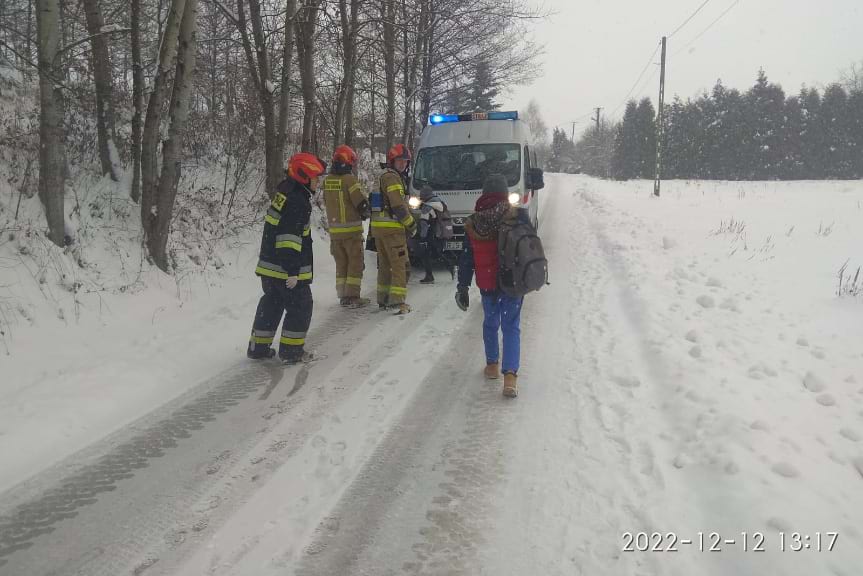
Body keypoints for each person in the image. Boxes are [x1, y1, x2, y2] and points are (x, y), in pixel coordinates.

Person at [247, 152, 327, 364]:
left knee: (272, 304)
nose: (317, 182)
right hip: (285, 270)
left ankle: (258, 348)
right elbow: (288, 239)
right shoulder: (298, 201)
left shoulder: (284, 193)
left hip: (270, 267)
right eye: (315, 177)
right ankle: (292, 352)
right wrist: (293, 271)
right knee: (301, 305)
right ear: (304, 176)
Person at [455, 174, 526, 397]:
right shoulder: (516, 217)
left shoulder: (474, 221)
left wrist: (463, 286)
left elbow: (466, 259)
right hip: (512, 282)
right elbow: (528, 248)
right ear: (505, 193)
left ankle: (492, 365)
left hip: (487, 283)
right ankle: (510, 378)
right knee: (511, 326)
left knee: (490, 323)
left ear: (484, 194)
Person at [370, 143, 417, 314]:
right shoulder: (393, 178)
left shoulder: (383, 175)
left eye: (405, 161)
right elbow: (398, 206)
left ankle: (383, 299)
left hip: (380, 230)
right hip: (392, 229)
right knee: (400, 266)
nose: (403, 164)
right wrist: (411, 224)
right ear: (392, 161)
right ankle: (397, 302)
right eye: (399, 161)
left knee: (385, 265)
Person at [322, 144, 371, 308]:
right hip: (352, 233)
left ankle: (343, 296)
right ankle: (353, 297)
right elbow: (360, 203)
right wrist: (368, 211)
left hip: (335, 234)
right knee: (355, 265)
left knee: (341, 265)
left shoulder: (328, 181)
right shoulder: (349, 179)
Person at [416, 185, 454, 284]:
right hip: (441, 232)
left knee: (425, 254)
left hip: (432, 233)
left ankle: (429, 276)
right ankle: (450, 265)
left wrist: (422, 238)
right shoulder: (441, 202)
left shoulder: (427, 206)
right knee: (437, 252)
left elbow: (424, 223)